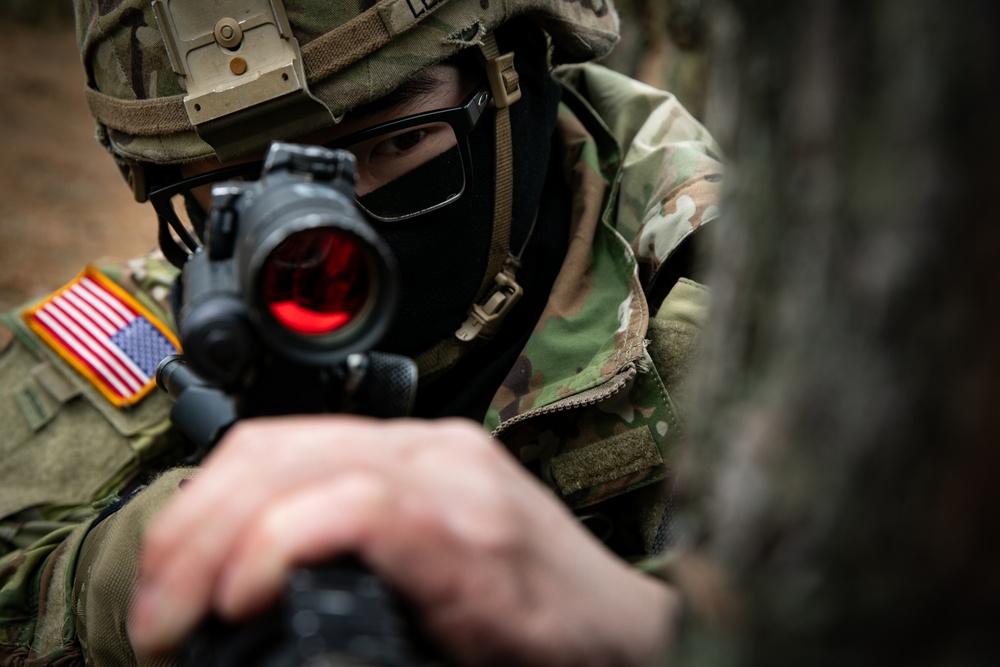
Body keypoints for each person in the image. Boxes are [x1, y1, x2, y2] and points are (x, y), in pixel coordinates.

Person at [0, 0, 723, 664]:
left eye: (399, 141)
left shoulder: (742, 328)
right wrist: (120, 571)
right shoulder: (135, 333)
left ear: (518, 76)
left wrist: (630, 622)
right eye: (240, 188)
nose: (326, 242)